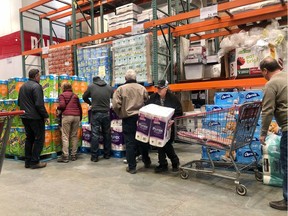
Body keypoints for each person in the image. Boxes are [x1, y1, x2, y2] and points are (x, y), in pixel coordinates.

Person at [259, 56, 287, 211]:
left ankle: (287, 200)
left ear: (265, 70)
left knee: (287, 165)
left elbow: (267, 111)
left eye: (262, 72)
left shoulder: (271, 84)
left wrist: (263, 133)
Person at [112, 69, 151, 174]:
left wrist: (120, 113)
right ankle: (146, 161)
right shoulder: (142, 88)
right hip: (141, 119)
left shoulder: (120, 89)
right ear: (135, 78)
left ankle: (132, 167)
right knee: (142, 140)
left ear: (125, 78)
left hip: (128, 119)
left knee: (130, 142)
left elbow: (115, 105)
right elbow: (147, 101)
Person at [146, 80, 183, 173]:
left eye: (160, 88)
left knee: (167, 144)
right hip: (157, 125)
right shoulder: (153, 98)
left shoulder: (173, 98)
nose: (158, 90)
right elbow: (147, 108)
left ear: (166, 88)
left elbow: (179, 112)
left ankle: (175, 162)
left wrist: (173, 120)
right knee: (159, 144)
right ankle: (163, 164)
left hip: (169, 126)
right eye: (157, 88)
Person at [18, 69, 49, 169]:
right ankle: (35, 162)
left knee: (29, 138)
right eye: (39, 76)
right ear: (36, 76)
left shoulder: (22, 87)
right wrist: (45, 115)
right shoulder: (36, 86)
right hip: (35, 117)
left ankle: (27, 162)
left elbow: (19, 102)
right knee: (39, 139)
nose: (40, 77)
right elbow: (39, 104)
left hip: (24, 116)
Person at [83, 76, 113, 162]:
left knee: (95, 134)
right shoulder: (108, 87)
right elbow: (113, 96)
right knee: (106, 133)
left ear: (94, 81)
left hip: (95, 113)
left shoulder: (91, 87)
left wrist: (91, 103)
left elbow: (84, 97)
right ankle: (107, 154)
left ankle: (94, 157)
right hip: (106, 113)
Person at [57, 82, 82, 163]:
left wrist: (57, 107)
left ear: (63, 88)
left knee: (65, 136)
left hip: (67, 116)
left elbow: (62, 105)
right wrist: (80, 117)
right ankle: (74, 155)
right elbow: (79, 107)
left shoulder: (62, 95)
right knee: (74, 135)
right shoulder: (75, 95)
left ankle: (65, 156)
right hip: (77, 116)